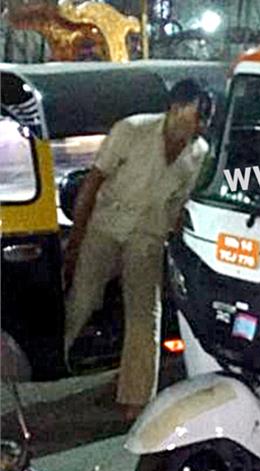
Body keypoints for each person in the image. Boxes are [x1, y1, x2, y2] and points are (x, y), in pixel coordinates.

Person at [63, 79, 211, 421]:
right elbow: (93, 182)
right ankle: (54, 360)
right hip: (106, 226)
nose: (199, 125)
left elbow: (179, 204)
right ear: (175, 108)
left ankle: (137, 397)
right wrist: (76, 240)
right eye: (196, 115)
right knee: (83, 299)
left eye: (204, 119)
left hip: (148, 235)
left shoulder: (198, 152)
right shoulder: (131, 130)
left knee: (146, 315)